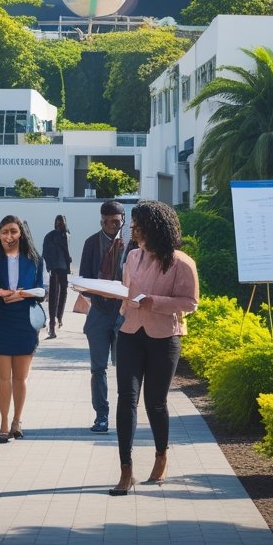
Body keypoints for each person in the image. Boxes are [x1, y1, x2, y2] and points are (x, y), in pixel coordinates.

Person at [110, 201, 199, 496]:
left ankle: (161, 456)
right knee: (126, 399)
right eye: (132, 224)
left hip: (164, 337)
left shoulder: (181, 262)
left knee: (155, 403)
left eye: (138, 225)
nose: (133, 230)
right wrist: (110, 295)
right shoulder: (132, 256)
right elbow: (127, 292)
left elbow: (190, 303)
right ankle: (126, 470)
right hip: (130, 332)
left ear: (155, 227)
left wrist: (153, 302)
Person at [0, 215, 46, 443]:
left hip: (25, 321)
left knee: (20, 378)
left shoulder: (34, 259)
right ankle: (3, 422)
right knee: (2, 378)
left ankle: (17, 421)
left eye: (13, 231)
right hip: (2, 321)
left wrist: (22, 294)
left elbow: (42, 291)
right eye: (4, 232)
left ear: (20, 233)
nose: (9, 236)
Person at [77, 200, 129, 433]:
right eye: (107, 222)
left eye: (116, 222)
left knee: (126, 369)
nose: (112, 226)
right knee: (98, 368)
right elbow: (84, 279)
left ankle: (126, 415)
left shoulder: (133, 245)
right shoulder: (91, 243)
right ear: (101, 221)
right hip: (98, 313)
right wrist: (99, 289)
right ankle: (101, 416)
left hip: (124, 314)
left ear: (123, 220)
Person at [41, 214, 72, 339]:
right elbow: (46, 253)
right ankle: (55, 321)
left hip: (59, 267)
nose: (59, 224)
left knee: (59, 294)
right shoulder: (57, 235)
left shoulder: (61, 234)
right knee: (56, 295)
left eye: (60, 222)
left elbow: (46, 253)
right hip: (58, 267)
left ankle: (57, 320)